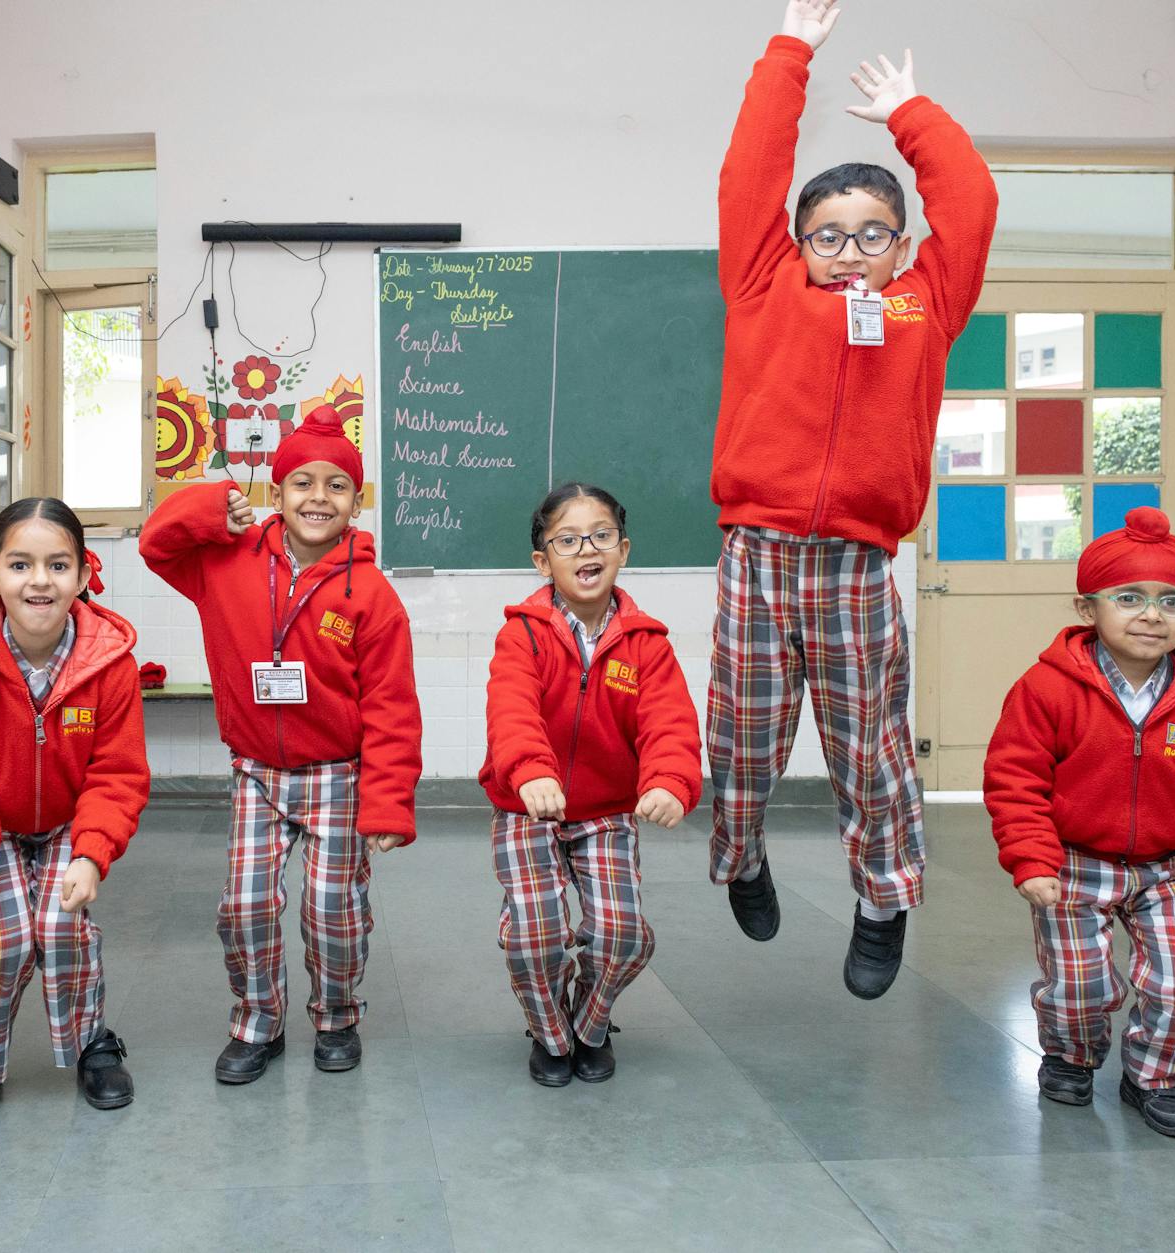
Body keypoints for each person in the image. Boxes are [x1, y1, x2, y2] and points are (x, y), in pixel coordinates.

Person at [708, 0, 999, 998]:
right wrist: (789, 54)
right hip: (756, 553)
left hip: (854, 564)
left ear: (900, 244)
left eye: (871, 233)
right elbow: (748, 169)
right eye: (824, 234)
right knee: (739, 738)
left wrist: (911, 115)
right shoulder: (759, 287)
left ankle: (881, 900)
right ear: (792, 244)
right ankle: (740, 854)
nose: (847, 249)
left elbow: (971, 199)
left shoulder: (926, 303)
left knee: (867, 748)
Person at [984, 507, 1175, 1138]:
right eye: (1129, 598)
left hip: (1169, 870)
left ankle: (1159, 1077)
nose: (1152, 614)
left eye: (1171, 601)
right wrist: (1032, 858)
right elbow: (1015, 779)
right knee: (1080, 986)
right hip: (1071, 864)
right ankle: (1070, 1055)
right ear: (1086, 608)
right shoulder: (1047, 690)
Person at [139, 405, 422, 1083]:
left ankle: (336, 1014)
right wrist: (212, 508)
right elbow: (156, 543)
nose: (318, 498)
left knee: (333, 906)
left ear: (357, 501)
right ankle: (257, 1018)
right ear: (275, 491)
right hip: (256, 772)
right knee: (244, 903)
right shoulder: (225, 560)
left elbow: (392, 708)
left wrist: (387, 804)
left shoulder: (373, 595)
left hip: (338, 775)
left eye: (336, 485)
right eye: (302, 483)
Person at [0, 497, 149, 1125]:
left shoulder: (110, 667)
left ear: (83, 575)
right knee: (6, 942)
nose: (40, 580)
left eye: (58, 564)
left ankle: (92, 1044)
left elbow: (117, 773)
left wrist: (91, 853)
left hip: (71, 831)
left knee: (60, 928)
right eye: (20, 565)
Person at [481, 483, 701, 1086]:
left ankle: (589, 1021)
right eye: (568, 539)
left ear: (623, 549)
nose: (587, 549)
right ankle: (550, 1034)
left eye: (601, 536)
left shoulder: (646, 645)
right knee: (535, 935)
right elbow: (511, 711)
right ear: (542, 560)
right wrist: (530, 772)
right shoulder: (521, 634)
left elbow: (670, 721)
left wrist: (670, 780)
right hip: (528, 809)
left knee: (623, 935)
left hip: (606, 811)